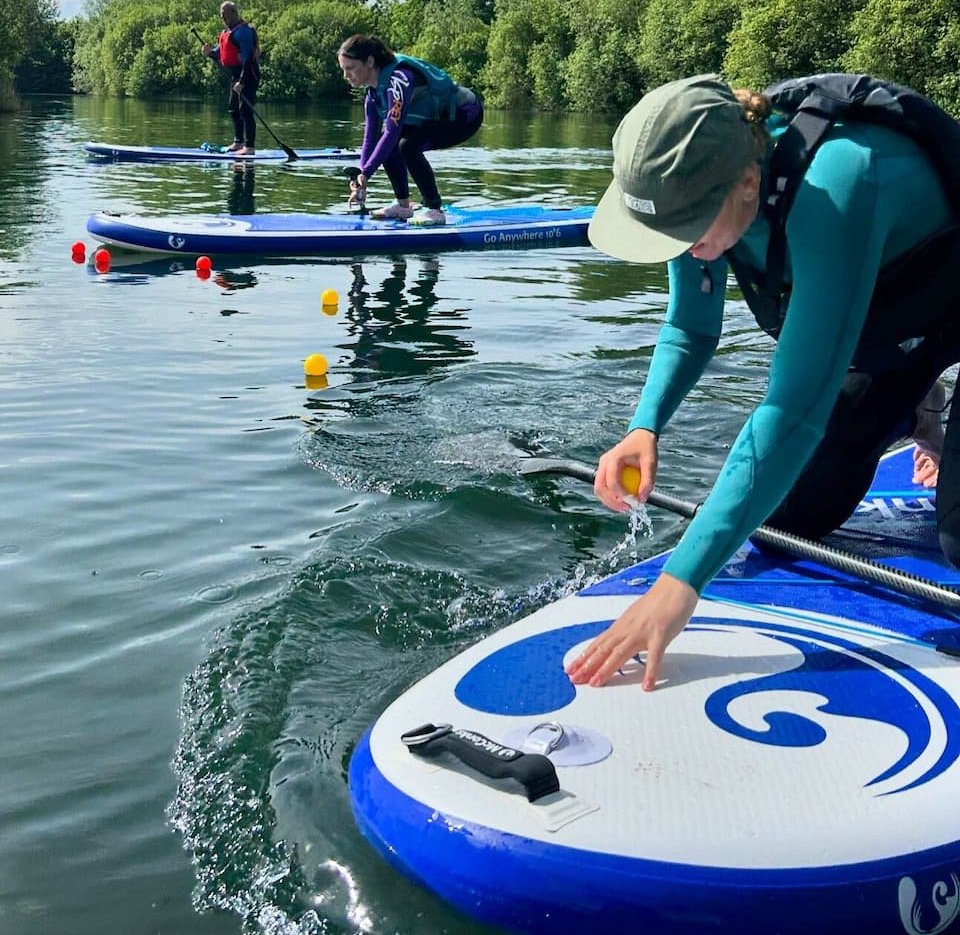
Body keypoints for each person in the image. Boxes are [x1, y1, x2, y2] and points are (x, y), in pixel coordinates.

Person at [567, 73, 960, 693]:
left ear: (749, 182)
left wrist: (680, 583)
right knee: (789, 523)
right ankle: (918, 403)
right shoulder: (696, 195)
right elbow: (690, 330)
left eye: (688, 231)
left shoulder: (840, 180)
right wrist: (645, 426)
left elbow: (794, 410)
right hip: (890, 323)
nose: (682, 248)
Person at [336, 35, 483, 226]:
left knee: (407, 146)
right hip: (438, 118)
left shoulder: (399, 79)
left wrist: (367, 172)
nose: (346, 76)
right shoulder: (372, 96)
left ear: (370, 62)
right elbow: (370, 140)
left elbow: (392, 132)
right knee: (388, 145)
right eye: (343, 69)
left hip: (466, 114)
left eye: (350, 68)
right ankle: (403, 206)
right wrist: (360, 178)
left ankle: (434, 209)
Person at [203, 2, 261, 156]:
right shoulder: (227, 32)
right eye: (221, 13)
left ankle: (249, 147)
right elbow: (218, 54)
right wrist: (209, 52)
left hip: (248, 73)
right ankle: (238, 142)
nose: (221, 16)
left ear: (233, 12)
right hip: (235, 75)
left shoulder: (243, 31)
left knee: (245, 110)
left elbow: (248, 57)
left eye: (224, 13)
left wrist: (242, 81)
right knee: (233, 108)